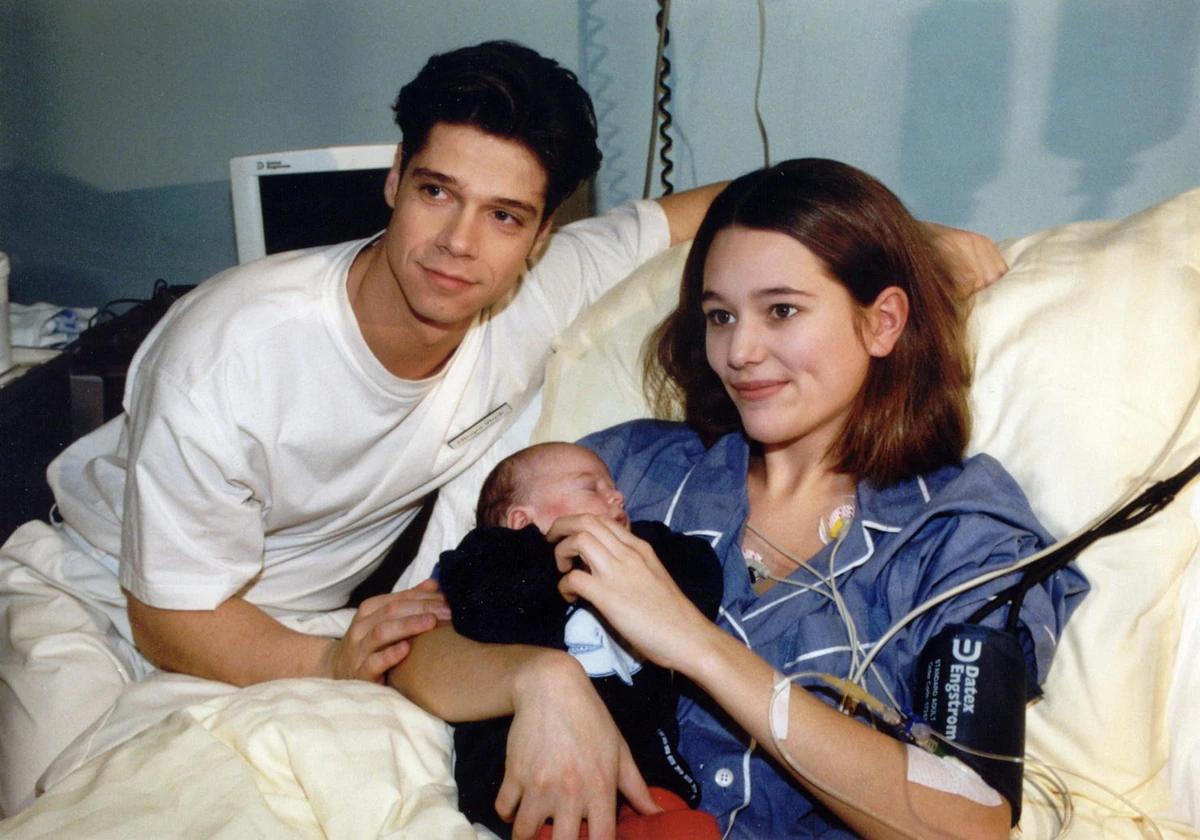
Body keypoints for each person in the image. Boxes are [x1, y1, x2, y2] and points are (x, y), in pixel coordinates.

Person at [0, 37, 1006, 819]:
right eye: (436, 192)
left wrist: (900, 243)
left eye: (505, 215)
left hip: (332, 623)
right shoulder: (234, 350)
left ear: (541, 231)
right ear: (394, 178)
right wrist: (342, 665)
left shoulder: (539, 292)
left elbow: (715, 212)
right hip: (110, 595)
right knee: (80, 803)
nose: (457, 244)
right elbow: (170, 617)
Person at [390, 159, 1088, 840]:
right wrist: (539, 679)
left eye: (781, 310)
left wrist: (695, 644)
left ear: (882, 322)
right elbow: (414, 645)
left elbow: (971, 820)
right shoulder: (621, 472)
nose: (740, 351)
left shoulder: (960, 528)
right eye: (720, 316)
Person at [439, 442, 722, 839]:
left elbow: (702, 582)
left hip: (642, 775)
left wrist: (636, 564)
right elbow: (474, 606)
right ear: (522, 520)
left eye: (613, 487)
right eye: (591, 488)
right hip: (537, 770)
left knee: (682, 826)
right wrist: (554, 564)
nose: (617, 496)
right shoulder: (495, 559)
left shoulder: (643, 549)